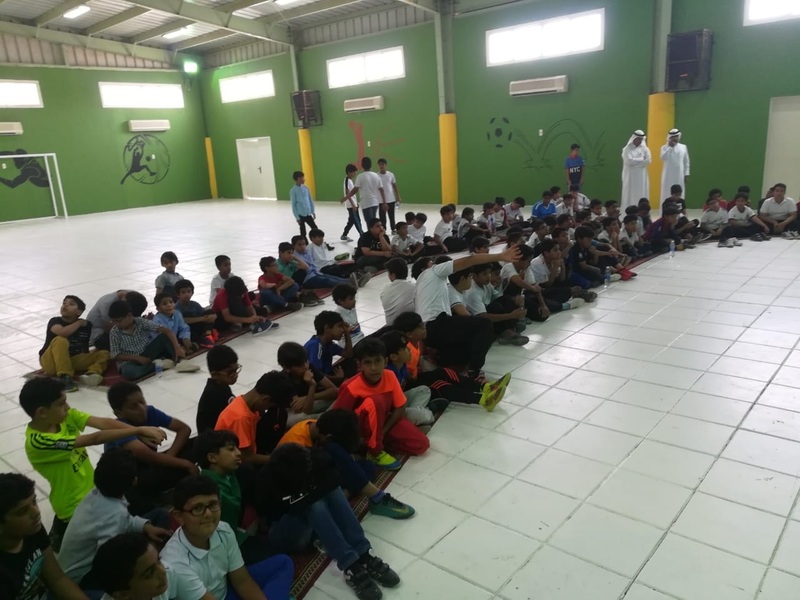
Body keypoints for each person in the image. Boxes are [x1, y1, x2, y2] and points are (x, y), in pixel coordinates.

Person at [20, 377, 166, 551]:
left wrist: (134, 432)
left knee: (153, 515)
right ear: (42, 412)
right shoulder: (38, 441)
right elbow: (93, 439)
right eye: (61, 404)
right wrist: (138, 430)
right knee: (118, 545)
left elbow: (104, 423)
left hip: (96, 493)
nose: (67, 407)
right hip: (74, 507)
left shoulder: (64, 417)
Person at [263, 444, 399, 600]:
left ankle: (363, 553)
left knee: (332, 491)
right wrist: (309, 494)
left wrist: (312, 490)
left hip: (310, 518)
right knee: (314, 505)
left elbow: (333, 481)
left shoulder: (313, 458)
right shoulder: (269, 479)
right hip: (288, 531)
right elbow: (274, 517)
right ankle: (349, 564)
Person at [160, 476, 294, 600]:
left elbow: (242, 581)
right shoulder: (176, 565)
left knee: (283, 563)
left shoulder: (223, 530)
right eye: (198, 508)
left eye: (213, 504)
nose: (208, 514)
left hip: (226, 593)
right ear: (179, 516)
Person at [57, 448, 171, 587]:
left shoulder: (97, 493)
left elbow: (126, 520)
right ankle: (150, 560)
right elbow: (109, 559)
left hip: (87, 557)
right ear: (134, 480)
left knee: (161, 515)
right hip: (84, 576)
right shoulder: (114, 515)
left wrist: (145, 527)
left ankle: (151, 554)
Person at [277, 410, 414, 519]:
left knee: (367, 467)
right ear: (328, 437)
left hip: (318, 471)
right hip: (299, 487)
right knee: (335, 451)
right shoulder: (297, 445)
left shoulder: (318, 426)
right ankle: (376, 497)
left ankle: (346, 493)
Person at [413, 245, 519, 374]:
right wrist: (500, 256)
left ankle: (445, 367)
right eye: (431, 262)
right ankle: (474, 372)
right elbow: (469, 260)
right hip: (436, 324)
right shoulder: (433, 271)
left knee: (468, 345)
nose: (434, 263)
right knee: (484, 325)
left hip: (429, 332)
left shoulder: (422, 286)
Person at [333, 338, 430, 469]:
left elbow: (400, 407)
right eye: (368, 363)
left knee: (421, 444)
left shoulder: (390, 376)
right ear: (359, 365)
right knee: (376, 401)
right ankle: (375, 451)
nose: (374, 368)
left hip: (382, 423)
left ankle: (372, 443)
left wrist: (382, 433)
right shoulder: (350, 387)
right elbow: (338, 420)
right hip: (358, 428)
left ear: (385, 362)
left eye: (378, 361)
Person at [105, 382, 198, 513]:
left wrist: (169, 456)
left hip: (152, 465)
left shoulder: (150, 412)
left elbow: (184, 429)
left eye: (142, 401)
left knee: (196, 444)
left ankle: (166, 488)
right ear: (119, 413)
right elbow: (148, 456)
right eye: (133, 406)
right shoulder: (118, 428)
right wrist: (185, 464)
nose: (141, 408)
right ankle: (157, 498)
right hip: (132, 477)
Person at [0, 472, 89, 600]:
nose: (36, 512)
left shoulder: (32, 530)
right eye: (23, 511)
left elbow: (57, 579)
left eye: (34, 502)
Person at [194, 431, 275, 565]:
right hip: (219, 547)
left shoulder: (229, 474)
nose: (238, 453)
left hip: (232, 533)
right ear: (212, 457)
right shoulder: (208, 492)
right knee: (276, 557)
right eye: (231, 449)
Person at [214, 371, 294, 464]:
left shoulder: (245, 402)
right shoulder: (241, 417)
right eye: (269, 406)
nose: (267, 409)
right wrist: (279, 459)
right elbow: (246, 458)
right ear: (265, 399)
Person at [39, 295, 109, 392]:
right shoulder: (55, 321)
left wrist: (91, 355)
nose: (65, 305)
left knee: (104, 353)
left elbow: (84, 347)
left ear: (79, 312)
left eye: (71, 304)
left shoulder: (86, 326)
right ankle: (65, 377)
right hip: (51, 361)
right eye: (64, 303)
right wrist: (79, 323)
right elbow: (62, 332)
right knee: (60, 340)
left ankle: (92, 374)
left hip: (71, 360)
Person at [108, 300, 184, 380]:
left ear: (129, 315)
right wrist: (137, 358)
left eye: (119, 321)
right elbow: (115, 355)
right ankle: (157, 365)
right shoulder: (114, 332)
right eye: (114, 321)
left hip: (147, 354)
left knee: (164, 337)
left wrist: (177, 348)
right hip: (130, 362)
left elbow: (166, 331)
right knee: (128, 372)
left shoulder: (140, 322)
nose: (116, 324)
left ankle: (178, 359)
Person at [92, 532, 178, 600]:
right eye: (149, 574)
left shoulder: (168, 573)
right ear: (122, 595)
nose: (163, 571)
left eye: (158, 560)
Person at [464, 263, 528, 345]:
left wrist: (517, 300)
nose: (488, 276)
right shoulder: (473, 293)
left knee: (507, 299)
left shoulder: (486, 284)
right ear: (474, 276)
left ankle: (508, 331)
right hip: (478, 323)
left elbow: (500, 298)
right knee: (495, 307)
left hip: (487, 317)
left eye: (489, 273)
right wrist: (511, 315)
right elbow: (482, 316)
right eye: (485, 274)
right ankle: (505, 332)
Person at [277, 342, 338, 424]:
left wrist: (306, 397)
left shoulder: (309, 367)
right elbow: (306, 410)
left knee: (340, 396)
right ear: (287, 368)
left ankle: (323, 418)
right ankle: (323, 419)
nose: (305, 366)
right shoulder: (285, 380)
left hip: (312, 401)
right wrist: (312, 386)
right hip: (296, 411)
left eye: (306, 361)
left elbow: (335, 391)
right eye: (300, 365)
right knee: (290, 420)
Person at [304, 311, 354, 386]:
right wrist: (338, 378)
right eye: (339, 326)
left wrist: (347, 333)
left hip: (327, 375)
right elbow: (316, 375)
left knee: (352, 362)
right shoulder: (315, 345)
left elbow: (348, 354)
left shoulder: (329, 343)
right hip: (315, 383)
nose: (342, 330)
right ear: (327, 328)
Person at [197, 346, 239, 434]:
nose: (235, 375)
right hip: (215, 439)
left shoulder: (222, 386)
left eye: (236, 370)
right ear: (215, 375)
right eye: (230, 372)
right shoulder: (215, 394)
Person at [341, 157, 385, 224]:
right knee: (373, 222)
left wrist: (345, 198)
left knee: (369, 223)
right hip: (375, 203)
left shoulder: (360, 176)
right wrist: (384, 202)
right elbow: (381, 190)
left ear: (362, 165)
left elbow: (355, 190)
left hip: (366, 203)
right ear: (371, 165)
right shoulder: (376, 175)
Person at [152, 293, 199, 357]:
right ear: (158, 309)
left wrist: (186, 338)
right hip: (163, 343)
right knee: (166, 352)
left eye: (171, 302)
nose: (169, 305)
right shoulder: (157, 320)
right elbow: (163, 339)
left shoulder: (177, 313)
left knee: (192, 338)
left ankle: (184, 348)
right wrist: (177, 346)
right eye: (164, 304)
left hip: (175, 339)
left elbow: (183, 327)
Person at [174, 280, 216, 348]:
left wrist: (211, 316)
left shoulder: (194, 304)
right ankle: (202, 339)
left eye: (188, 291)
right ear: (178, 294)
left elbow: (204, 313)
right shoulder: (177, 307)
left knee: (210, 312)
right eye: (183, 292)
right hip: (187, 331)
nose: (186, 294)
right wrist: (203, 319)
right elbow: (183, 321)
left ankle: (207, 335)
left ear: (192, 293)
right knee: (187, 315)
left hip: (198, 326)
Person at [621, 130, 651, 210]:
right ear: (634, 138)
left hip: (642, 177)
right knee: (630, 193)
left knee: (641, 193)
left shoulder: (645, 149)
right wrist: (641, 159)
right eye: (638, 138)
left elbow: (648, 160)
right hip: (630, 177)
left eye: (641, 139)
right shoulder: (626, 149)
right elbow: (629, 161)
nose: (640, 140)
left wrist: (635, 163)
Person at [380, 258, 415, 326]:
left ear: (393, 275)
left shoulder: (385, 288)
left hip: (390, 326)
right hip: (408, 327)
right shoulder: (414, 287)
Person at [660, 128, 690, 203]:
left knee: (679, 191)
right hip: (668, 175)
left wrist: (686, 174)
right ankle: (666, 209)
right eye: (673, 137)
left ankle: (679, 208)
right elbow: (663, 157)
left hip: (680, 175)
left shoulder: (683, 147)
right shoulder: (664, 147)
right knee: (667, 191)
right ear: (669, 138)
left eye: (676, 136)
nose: (675, 138)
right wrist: (670, 147)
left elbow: (686, 161)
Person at [340, 163, 363, 241]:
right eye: (353, 172)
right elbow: (347, 193)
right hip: (351, 205)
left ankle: (344, 235)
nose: (355, 174)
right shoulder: (347, 180)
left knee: (351, 221)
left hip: (353, 204)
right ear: (349, 172)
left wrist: (356, 203)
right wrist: (353, 205)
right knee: (357, 221)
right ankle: (362, 234)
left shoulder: (350, 181)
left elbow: (352, 194)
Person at [290, 170, 317, 237]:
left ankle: (317, 240)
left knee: (315, 228)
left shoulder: (306, 188)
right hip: (300, 214)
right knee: (303, 231)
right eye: (302, 177)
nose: (304, 179)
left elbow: (310, 200)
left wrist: (312, 211)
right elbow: (293, 205)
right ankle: (304, 242)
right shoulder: (293, 191)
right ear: (298, 178)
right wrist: (297, 218)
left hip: (308, 213)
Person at [376, 158, 400, 231]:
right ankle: (383, 230)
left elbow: (395, 186)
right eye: (380, 165)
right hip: (381, 200)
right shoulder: (376, 175)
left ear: (385, 165)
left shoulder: (391, 174)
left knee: (391, 216)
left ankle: (393, 229)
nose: (381, 166)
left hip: (391, 199)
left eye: (382, 164)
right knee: (382, 217)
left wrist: (398, 197)